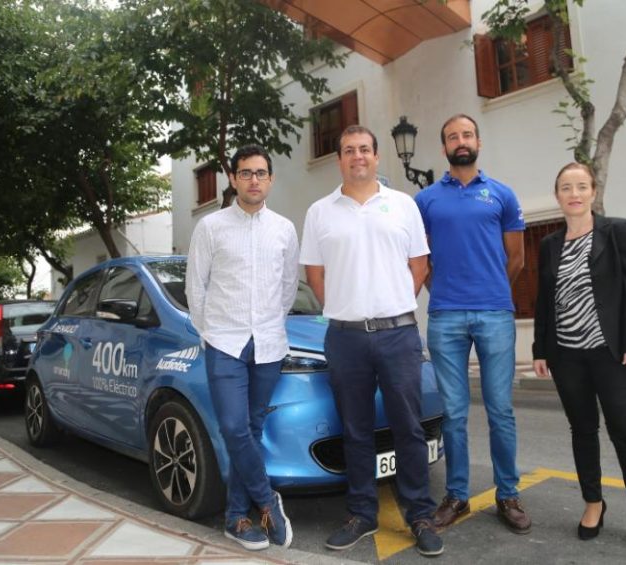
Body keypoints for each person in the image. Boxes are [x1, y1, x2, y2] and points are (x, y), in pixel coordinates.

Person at [300, 125, 443, 557]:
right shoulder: (320, 212)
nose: (357, 156)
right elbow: (315, 274)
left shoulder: (403, 205)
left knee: (408, 427)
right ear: (339, 159)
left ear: (377, 157)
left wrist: (393, 301)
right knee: (356, 431)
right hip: (344, 338)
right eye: (348, 150)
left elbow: (419, 264)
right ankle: (362, 514)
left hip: (398, 334)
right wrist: (346, 307)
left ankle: (420, 514)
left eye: (364, 149)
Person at [414, 114, 531, 534]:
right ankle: (457, 495)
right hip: (444, 316)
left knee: (500, 410)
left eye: (466, 134)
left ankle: (508, 494)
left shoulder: (502, 195)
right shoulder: (424, 200)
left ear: (477, 141)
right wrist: (438, 287)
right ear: (443, 147)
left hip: (495, 314)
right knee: (454, 413)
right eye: (451, 137)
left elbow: (515, 259)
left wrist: (492, 290)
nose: (460, 141)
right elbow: (418, 259)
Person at [533, 162, 626, 553]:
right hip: (567, 356)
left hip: (612, 353)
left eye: (581, 186)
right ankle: (593, 503)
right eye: (566, 187)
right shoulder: (550, 244)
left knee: (625, 431)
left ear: (592, 191)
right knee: (582, 430)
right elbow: (544, 301)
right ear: (558, 196)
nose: (574, 193)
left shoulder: (618, 231)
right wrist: (540, 349)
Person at [185, 144, 298, 551]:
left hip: (268, 343)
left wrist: (268, 322)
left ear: (270, 179)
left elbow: (287, 289)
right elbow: (195, 288)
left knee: (250, 430)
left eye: (261, 173)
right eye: (246, 173)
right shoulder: (210, 227)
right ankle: (268, 502)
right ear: (232, 179)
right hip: (224, 343)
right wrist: (210, 333)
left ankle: (236, 517)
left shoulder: (284, 228)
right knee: (234, 426)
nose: (254, 180)